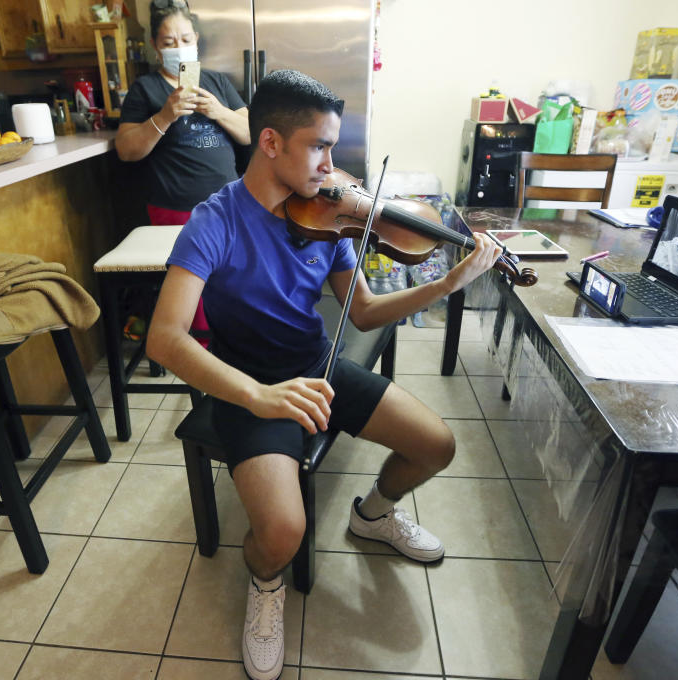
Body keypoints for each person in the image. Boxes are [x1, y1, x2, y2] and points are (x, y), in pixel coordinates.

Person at [147, 70, 502, 680]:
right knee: (282, 533)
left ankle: (373, 515)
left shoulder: (330, 213)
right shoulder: (214, 221)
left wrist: (444, 285)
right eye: (319, 146)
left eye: (333, 148)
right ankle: (264, 584)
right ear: (271, 143)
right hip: (248, 386)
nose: (332, 165)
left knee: (435, 444)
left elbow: (361, 310)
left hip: (317, 367)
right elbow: (164, 338)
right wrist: (257, 396)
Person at [115, 0, 249, 341]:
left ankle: (236, 343)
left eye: (185, 39)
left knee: (236, 278)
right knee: (195, 285)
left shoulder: (217, 83)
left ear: (196, 39)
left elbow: (250, 133)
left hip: (231, 204)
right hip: (175, 208)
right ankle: (202, 352)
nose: (179, 47)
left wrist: (219, 111)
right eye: (169, 42)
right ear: (156, 48)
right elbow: (127, 150)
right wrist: (165, 115)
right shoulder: (145, 89)